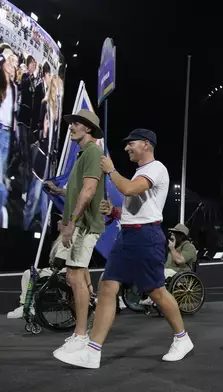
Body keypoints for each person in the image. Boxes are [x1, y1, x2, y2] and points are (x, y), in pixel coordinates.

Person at [53, 128, 192, 369]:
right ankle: (92, 352)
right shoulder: (140, 171)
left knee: (156, 291)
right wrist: (115, 212)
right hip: (127, 235)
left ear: (146, 144)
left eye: (131, 143)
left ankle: (182, 339)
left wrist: (111, 170)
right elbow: (138, 206)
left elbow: (129, 189)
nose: (127, 147)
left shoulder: (156, 168)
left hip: (146, 237)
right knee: (107, 286)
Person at [44, 109, 104, 357]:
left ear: (88, 128)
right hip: (78, 224)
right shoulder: (83, 155)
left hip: (85, 225)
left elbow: (88, 191)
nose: (71, 127)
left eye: (76, 123)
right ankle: (81, 330)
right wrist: (59, 192)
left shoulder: (92, 152)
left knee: (76, 277)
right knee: (74, 277)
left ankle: (81, 335)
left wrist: (72, 223)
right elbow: (76, 191)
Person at [139, 223, 197, 306]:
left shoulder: (189, 247)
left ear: (181, 236)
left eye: (175, 234)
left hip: (182, 273)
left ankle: (153, 298)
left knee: (161, 273)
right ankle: (149, 296)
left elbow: (179, 260)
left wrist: (172, 248)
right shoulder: (172, 246)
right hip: (169, 271)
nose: (172, 236)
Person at [0, 47, 18, 228]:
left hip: (6, 133)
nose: (13, 63)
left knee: (1, 171)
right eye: (9, 58)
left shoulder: (13, 87)